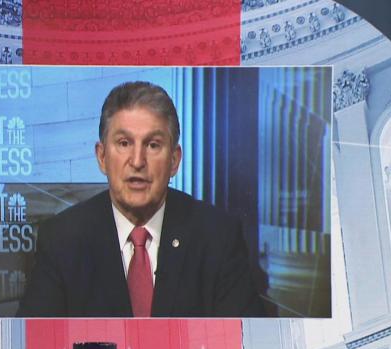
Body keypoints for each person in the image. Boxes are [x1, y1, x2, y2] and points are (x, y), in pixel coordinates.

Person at [17, 81, 265, 318]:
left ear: (174, 160)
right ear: (102, 157)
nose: (137, 161)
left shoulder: (218, 237)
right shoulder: (62, 240)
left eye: (153, 145)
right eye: (124, 143)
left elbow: (244, 343)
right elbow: (34, 344)